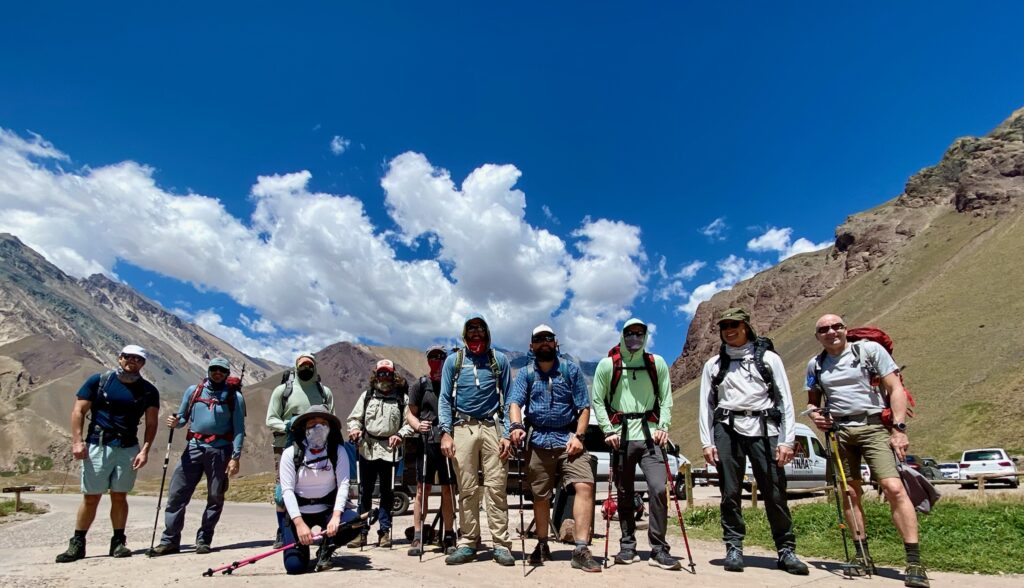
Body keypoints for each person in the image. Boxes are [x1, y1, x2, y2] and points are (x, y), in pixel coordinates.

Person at [805, 313, 928, 588]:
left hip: (873, 426)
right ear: (818, 336)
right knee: (849, 492)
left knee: (893, 487)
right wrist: (815, 416)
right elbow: (813, 402)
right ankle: (862, 556)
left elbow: (895, 387)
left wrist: (898, 429)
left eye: (836, 326)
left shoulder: (870, 351)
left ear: (845, 329)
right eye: (824, 329)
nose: (831, 332)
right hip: (839, 432)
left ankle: (914, 561)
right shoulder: (816, 365)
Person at [697, 308, 808, 575]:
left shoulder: (769, 359)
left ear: (746, 326)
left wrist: (787, 440)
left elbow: (785, 399)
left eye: (734, 324)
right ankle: (733, 547)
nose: (729, 330)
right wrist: (706, 442)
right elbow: (706, 405)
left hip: (765, 429)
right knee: (730, 492)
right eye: (724, 326)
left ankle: (785, 549)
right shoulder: (713, 364)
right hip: (727, 429)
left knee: (775, 491)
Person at [508, 325, 601, 573]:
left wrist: (580, 436)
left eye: (548, 338)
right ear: (532, 346)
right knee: (541, 495)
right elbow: (515, 402)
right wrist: (516, 425)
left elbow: (583, 407)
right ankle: (541, 543)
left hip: (569, 438)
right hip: (537, 439)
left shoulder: (570, 370)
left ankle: (580, 549)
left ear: (555, 343)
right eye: (538, 340)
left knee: (585, 484)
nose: (544, 343)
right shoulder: (526, 373)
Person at [56, 345, 160, 563]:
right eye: (128, 357)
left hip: (128, 447)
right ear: (119, 358)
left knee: (120, 495)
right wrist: (77, 442)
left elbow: (151, 423)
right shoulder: (99, 381)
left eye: (138, 359)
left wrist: (145, 450)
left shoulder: (149, 391)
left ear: (143, 364)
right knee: (91, 496)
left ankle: (118, 542)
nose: (132, 361)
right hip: (98, 445)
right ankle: (77, 543)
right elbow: (79, 411)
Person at [591, 318, 680, 570]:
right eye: (630, 333)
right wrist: (607, 430)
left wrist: (663, 426)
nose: (634, 338)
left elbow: (666, 398)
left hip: (651, 437)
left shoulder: (656, 363)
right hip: (621, 437)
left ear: (645, 336)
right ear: (622, 335)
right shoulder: (608, 366)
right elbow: (598, 400)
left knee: (658, 489)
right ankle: (627, 545)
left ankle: (659, 548)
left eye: (639, 334)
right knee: (624, 493)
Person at [439, 314, 515, 566]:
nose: (475, 334)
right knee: (468, 488)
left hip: (493, 426)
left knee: (496, 486)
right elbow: (444, 399)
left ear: (487, 333)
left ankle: (501, 544)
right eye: (471, 330)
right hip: (462, 427)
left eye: (480, 330)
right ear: (464, 334)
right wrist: (446, 433)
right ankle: (469, 542)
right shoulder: (454, 361)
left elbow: (509, 395)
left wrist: (507, 433)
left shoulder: (498, 360)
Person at [150, 358, 246, 556]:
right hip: (193, 448)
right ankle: (170, 540)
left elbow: (239, 429)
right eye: (214, 369)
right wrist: (176, 422)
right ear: (208, 370)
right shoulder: (194, 391)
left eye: (222, 370)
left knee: (215, 496)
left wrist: (235, 457)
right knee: (177, 494)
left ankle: (204, 538)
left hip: (220, 451)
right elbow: (183, 418)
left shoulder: (235, 397)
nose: (217, 372)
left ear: (227, 373)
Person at [280, 405, 364, 574]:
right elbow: (287, 491)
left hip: (327, 510)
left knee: (354, 522)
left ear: (330, 428)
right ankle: (293, 540)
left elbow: (343, 484)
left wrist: (336, 516)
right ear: (304, 428)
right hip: (299, 514)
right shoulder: (290, 454)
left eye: (323, 423)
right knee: (294, 567)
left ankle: (326, 548)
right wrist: (299, 524)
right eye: (312, 423)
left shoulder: (338, 451)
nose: (318, 427)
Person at [266, 351, 335, 548]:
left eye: (309, 365)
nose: (306, 368)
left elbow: (332, 419)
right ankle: (283, 531)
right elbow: (271, 419)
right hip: (285, 446)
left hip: (318, 448)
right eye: (302, 365)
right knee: (283, 491)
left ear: (314, 367)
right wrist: (290, 425)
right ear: (296, 367)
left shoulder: (324, 392)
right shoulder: (282, 391)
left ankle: (322, 529)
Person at [346, 359, 413, 548]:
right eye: (381, 373)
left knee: (387, 492)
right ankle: (361, 533)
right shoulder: (367, 396)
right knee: (364, 492)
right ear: (376, 375)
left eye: (388, 373)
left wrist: (400, 434)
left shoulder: (402, 398)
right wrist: (354, 429)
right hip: (367, 448)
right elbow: (354, 418)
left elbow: (409, 423)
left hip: (389, 451)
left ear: (393, 375)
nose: (384, 377)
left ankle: (384, 532)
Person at [406, 345, 457, 556]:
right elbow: (410, 413)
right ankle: (418, 535)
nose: (437, 359)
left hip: (447, 441)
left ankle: (449, 534)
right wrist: (418, 426)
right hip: (426, 441)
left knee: (448, 489)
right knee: (422, 488)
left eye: (440, 356)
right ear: (428, 359)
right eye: (433, 356)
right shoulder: (420, 385)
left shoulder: (453, 384)